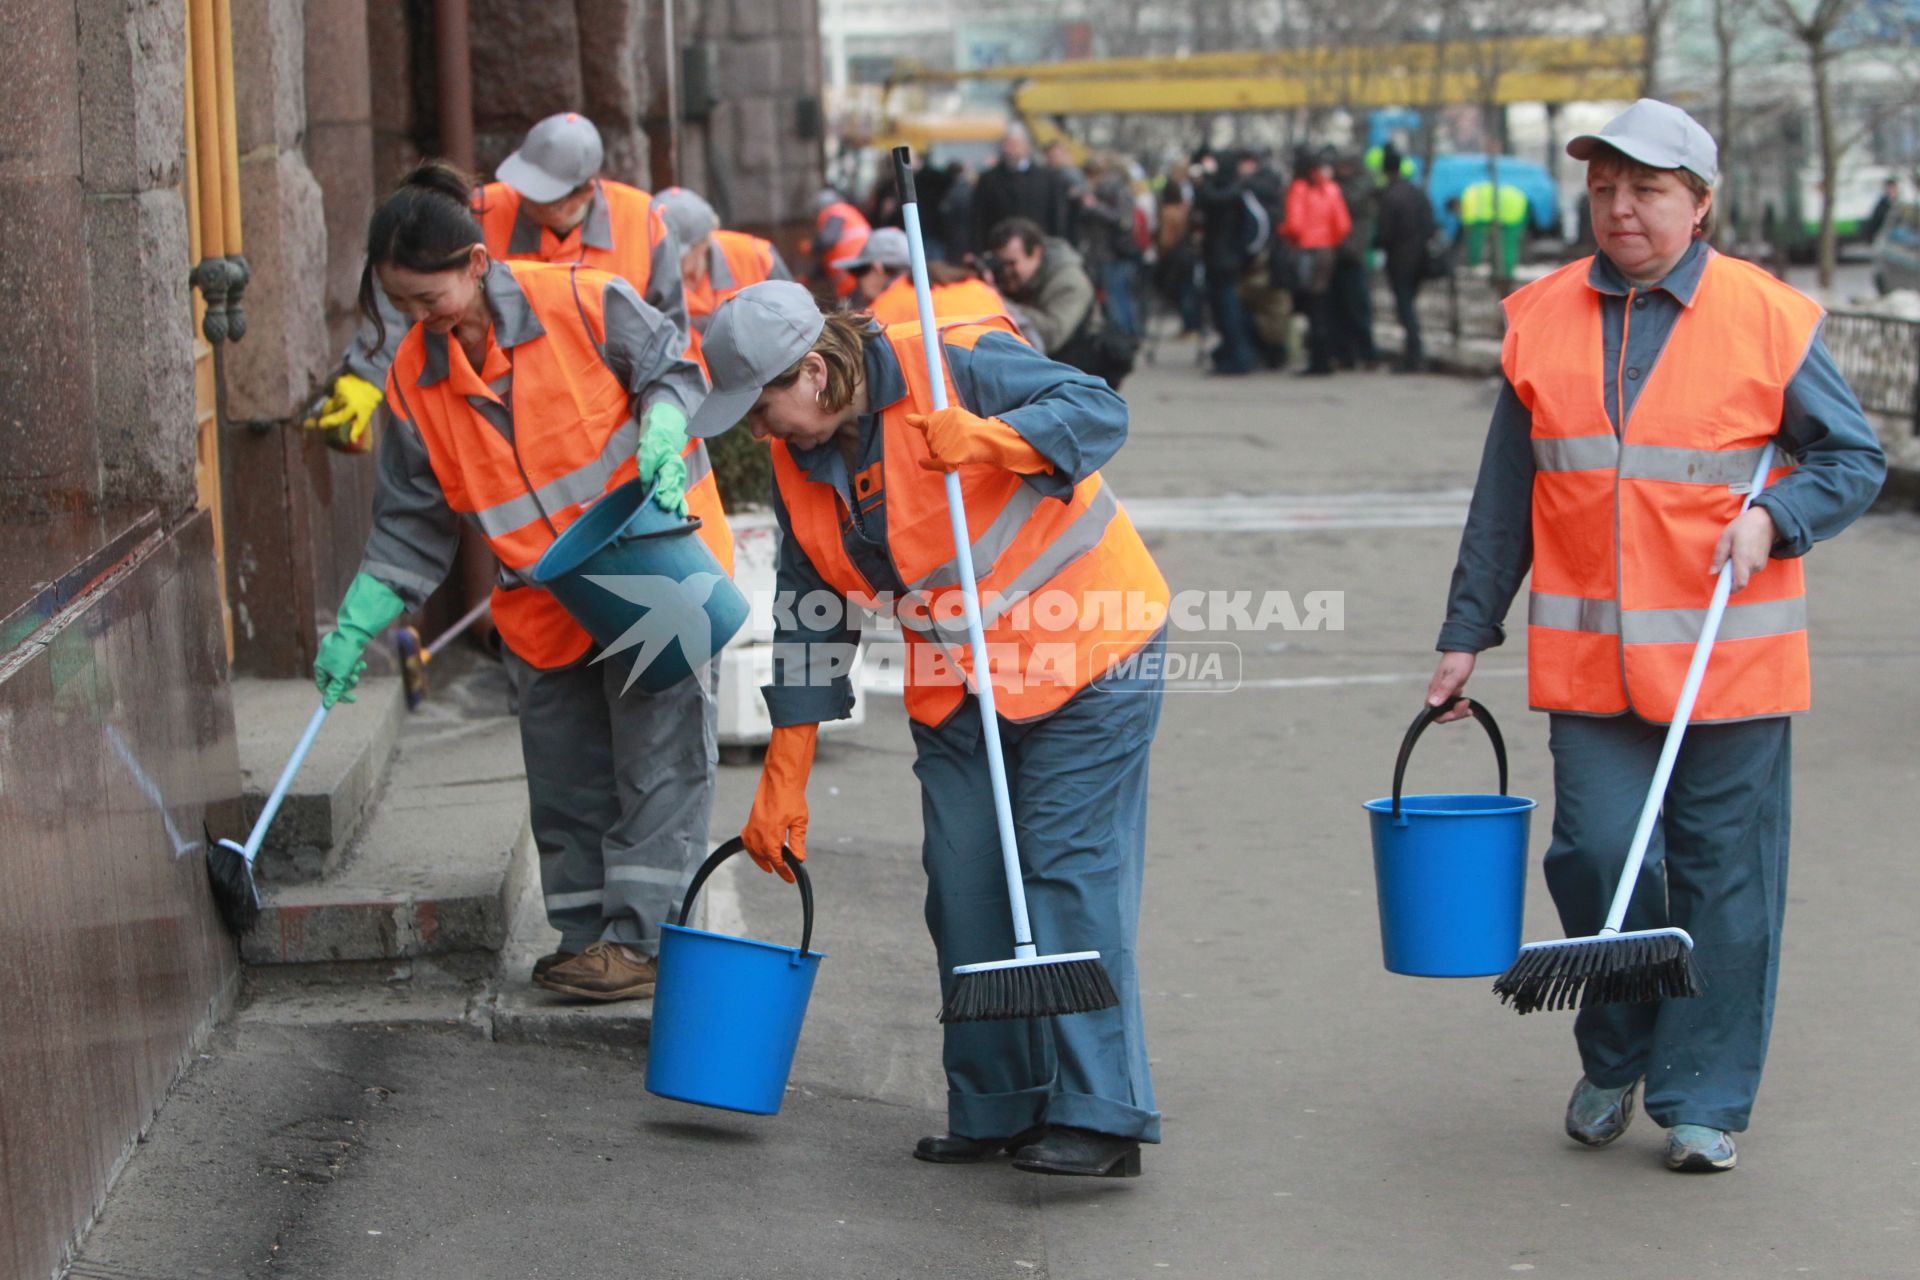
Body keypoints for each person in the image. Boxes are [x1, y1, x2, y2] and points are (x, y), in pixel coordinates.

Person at [1425, 99, 1886, 1174]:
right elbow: (1507, 495)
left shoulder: (1770, 318)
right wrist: (1465, 630)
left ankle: (1703, 1097)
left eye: (1649, 190)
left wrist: (1776, 517)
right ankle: (1619, 1047)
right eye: (1605, 188)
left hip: (1732, 660)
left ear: (1700, 202)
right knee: (1594, 854)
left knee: (1725, 879)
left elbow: (1852, 458)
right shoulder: (1540, 316)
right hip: (1593, 667)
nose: (1622, 208)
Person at [687, 280, 1169, 1178]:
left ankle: (1102, 1115)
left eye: (762, 409)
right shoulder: (804, 457)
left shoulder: (951, 362)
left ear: (819, 371)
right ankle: (999, 1106)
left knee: (1064, 872)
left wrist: (993, 437)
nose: (760, 434)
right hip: (961, 680)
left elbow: (1097, 410)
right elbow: (811, 604)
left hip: (1091, 652)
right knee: (966, 885)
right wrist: (784, 771)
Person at [316, 162, 731, 1002]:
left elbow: (674, 364)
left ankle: (642, 945)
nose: (419, 321)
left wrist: (659, 421)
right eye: (402, 307)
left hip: (655, 567)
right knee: (566, 775)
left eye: (428, 300)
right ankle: (586, 939)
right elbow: (411, 519)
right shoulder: (412, 380)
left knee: (659, 762)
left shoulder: (577, 300)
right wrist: (359, 621)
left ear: (475, 262)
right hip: (543, 599)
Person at [308, 111, 689, 451]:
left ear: (587, 191)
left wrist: (661, 412)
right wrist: (366, 376)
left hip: (611, 420)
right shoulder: (479, 211)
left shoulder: (642, 222)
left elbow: (668, 331)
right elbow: (407, 286)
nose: (528, 204)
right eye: (525, 190)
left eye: (545, 198)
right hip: (506, 420)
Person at [985, 217, 1132, 387]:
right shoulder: (1009, 278)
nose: (1004, 272)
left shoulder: (1069, 281)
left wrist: (997, 301)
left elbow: (1050, 336)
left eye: (1011, 264)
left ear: (1036, 254)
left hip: (1074, 375)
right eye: (999, 264)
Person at [654, 185, 792, 334]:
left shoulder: (758, 257)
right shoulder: (648, 281)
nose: (664, 260)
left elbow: (796, 323)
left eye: (673, 253)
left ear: (703, 243)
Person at [846, 227, 1016, 327]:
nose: (856, 282)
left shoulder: (886, 308)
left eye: (859, 271)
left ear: (877, 268)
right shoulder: (974, 286)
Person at [1282, 148, 1352, 375]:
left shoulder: (1299, 189)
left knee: (1310, 305)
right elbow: (1343, 225)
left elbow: (1294, 224)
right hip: (1327, 251)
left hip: (1306, 251)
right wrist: (1330, 240)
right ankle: (1327, 354)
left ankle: (1316, 358)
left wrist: (1287, 235)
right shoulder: (1331, 189)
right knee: (1324, 302)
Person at [1194, 150, 1262, 375]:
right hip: (1220, 259)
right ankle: (1232, 353)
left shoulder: (1235, 191)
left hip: (1227, 260)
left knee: (1229, 310)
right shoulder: (1228, 190)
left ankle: (1238, 356)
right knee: (1223, 311)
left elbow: (1256, 226)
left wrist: (1246, 254)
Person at [1375, 145, 1437, 373]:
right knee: (1409, 306)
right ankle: (1414, 353)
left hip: (1400, 260)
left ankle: (1414, 356)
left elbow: (1385, 233)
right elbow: (1431, 225)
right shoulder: (1417, 192)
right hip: (1421, 259)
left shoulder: (1390, 196)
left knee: (1405, 308)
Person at [971, 125, 1070, 252]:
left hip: (1037, 248)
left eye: (1014, 143)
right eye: (1006, 143)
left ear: (1027, 145)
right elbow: (979, 218)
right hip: (1000, 248)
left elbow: (1056, 217)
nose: (1009, 148)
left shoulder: (1047, 178)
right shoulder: (989, 179)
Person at [1330, 152, 1379, 369]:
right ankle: (1347, 355)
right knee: (1341, 310)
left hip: (1351, 254)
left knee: (1358, 309)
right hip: (1340, 254)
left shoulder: (1359, 187)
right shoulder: (1351, 185)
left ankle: (1367, 355)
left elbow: (1348, 201)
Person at [812, 187, 872, 300]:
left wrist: (814, 247)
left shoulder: (836, 211)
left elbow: (827, 240)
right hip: (857, 275)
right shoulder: (847, 213)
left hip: (853, 276)